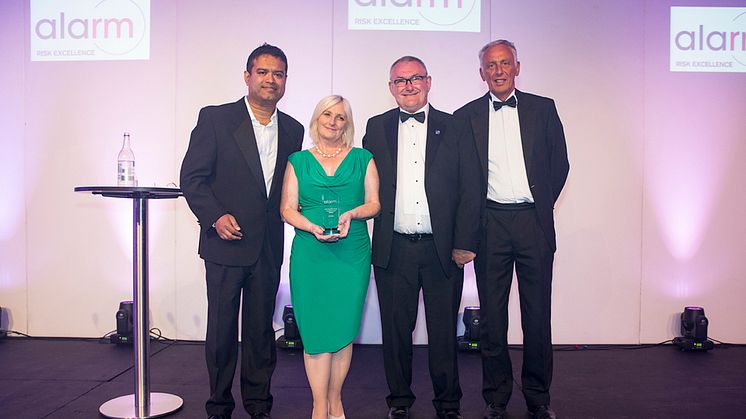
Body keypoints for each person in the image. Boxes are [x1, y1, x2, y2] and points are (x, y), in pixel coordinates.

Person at [180, 43, 304, 419]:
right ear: (247, 76)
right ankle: (218, 404)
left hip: (267, 246)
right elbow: (192, 177)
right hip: (225, 245)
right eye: (263, 72)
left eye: (278, 74)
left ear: (285, 81)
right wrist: (215, 216)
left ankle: (258, 404)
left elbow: (289, 189)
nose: (271, 80)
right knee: (220, 331)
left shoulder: (295, 129)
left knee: (260, 333)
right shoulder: (216, 119)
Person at [454, 40, 569, 419]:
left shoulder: (543, 108)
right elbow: (464, 179)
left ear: (517, 67)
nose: (499, 70)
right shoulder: (465, 116)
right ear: (482, 72)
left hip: (532, 223)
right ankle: (496, 398)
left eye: (505, 63)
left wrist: (539, 205)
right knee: (492, 317)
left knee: (537, 314)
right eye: (491, 65)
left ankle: (538, 397)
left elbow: (560, 164)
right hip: (490, 224)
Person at [362, 56, 481, 419]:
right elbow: (363, 181)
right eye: (400, 80)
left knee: (444, 331)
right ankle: (399, 401)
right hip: (393, 248)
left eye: (415, 78)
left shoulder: (456, 125)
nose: (409, 85)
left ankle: (448, 404)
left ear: (429, 82)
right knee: (396, 333)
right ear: (390, 87)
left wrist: (465, 241)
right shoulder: (376, 126)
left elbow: (470, 186)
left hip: (442, 249)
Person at [280, 95, 380, 419]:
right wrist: (309, 226)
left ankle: (334, 401)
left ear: (347, 123)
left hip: (351, 256)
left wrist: (351, 213)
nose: (333, 122)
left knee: (342, 332)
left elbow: (374, 204)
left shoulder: (364, 158)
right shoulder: (298, 160)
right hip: (311, 257)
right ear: (317, 119)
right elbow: (286, 208)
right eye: (327, 114)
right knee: (316, 335)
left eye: (340, 117)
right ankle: (317, 406)